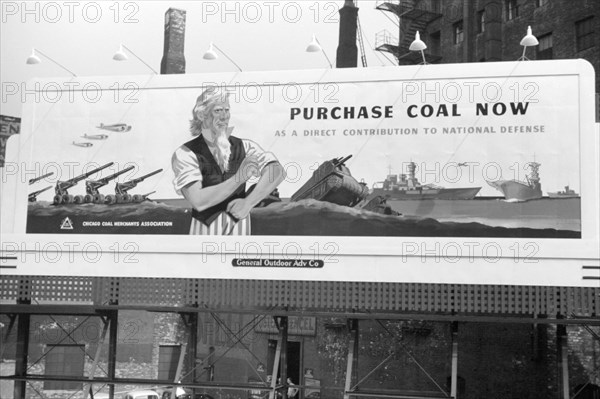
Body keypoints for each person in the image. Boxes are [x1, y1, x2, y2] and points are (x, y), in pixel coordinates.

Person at [172, 87, 285, 235]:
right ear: (201, 114)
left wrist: (248, 202)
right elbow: (198, 200)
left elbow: (277, 170)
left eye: (227, 110)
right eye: (218, 111)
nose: (224, 117)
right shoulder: (185, 153)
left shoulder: (245, 146)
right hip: (205, 230)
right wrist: (239, 178)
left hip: (240, 227)